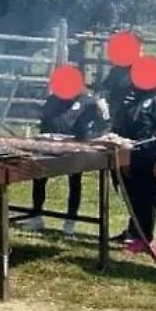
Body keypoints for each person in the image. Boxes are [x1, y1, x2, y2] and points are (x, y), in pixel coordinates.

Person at [99, 31, 156, 244]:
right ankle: (137, 230)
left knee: (154, 191)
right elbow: (104, 92)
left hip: (148, 139)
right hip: (122, 137)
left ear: (140, 48)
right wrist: (101, 103)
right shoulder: (117, 71)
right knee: (131, 188)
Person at [23, 87, 108, 237]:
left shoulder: (88, 102)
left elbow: (99, 126)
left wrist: (103, 115)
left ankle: (70, 223)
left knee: (75, 183)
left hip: (74, 146)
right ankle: (36, 216)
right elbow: (45, 121)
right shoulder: (53, 100)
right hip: (49, 144)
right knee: (39, 179)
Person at [116, 75, 156, 261]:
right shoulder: (138, 100)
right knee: (141, 199)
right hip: (139, 156)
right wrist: (127, 157)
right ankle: (142, 237)